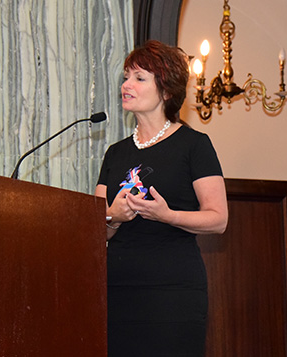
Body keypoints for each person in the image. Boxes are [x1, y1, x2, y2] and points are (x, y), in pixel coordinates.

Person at [95, 40, 228, 356]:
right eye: (126, 76)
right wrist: (113, 214)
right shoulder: (115, 153)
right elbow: (96, 229)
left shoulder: (194, 145)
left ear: (166, 91)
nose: (126, 85)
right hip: (118, 289)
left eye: (139, 78)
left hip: (173, 290)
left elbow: (218, 219)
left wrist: (169, 215)